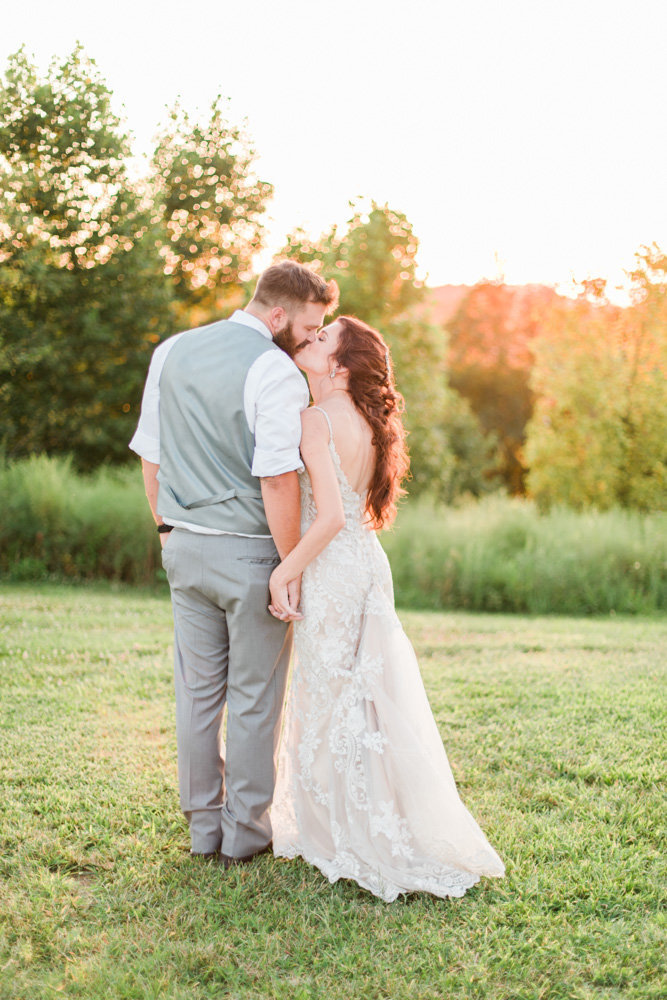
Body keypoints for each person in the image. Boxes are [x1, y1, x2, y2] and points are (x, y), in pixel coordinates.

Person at [269, 316, 505, 901]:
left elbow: (328, 517)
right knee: (367, 697)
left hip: (332, 567)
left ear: (340, 366)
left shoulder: (315, 419)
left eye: (323, 339)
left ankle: (343, 830)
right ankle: (369, 819)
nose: (311, 339)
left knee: (329, 693)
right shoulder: (369, 424)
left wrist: (284, 570)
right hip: (366, 565)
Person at [129, 261, 338, 865]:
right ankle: (244, 835)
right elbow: (277, 479)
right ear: (278, 315)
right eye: (307, 325)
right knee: (253, 697)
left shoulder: (172, 351)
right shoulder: (273, 370)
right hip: (250, 553)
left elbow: (152, 456)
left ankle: (202, 830)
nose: (308, 337)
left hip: (184, 548)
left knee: (196, 694)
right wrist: (290, 564)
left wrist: (165, 528)